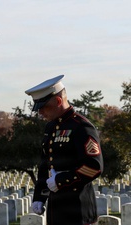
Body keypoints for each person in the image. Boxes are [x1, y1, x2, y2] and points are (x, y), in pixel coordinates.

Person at [25, 75, 104, 225]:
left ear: (58, 101)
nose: (40, 113)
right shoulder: (50, 128)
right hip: (56, 209)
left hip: (78, 209)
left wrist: (61, 180)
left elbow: (94, 166)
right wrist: (40, 196)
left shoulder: (81, 127)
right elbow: (45, 164)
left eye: (43, 107)